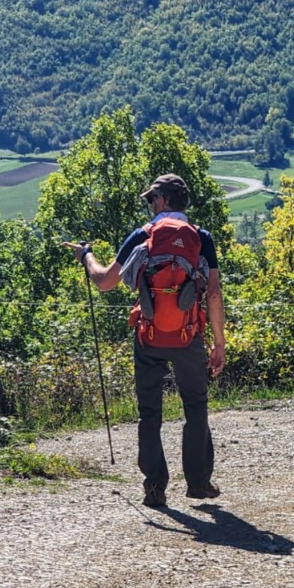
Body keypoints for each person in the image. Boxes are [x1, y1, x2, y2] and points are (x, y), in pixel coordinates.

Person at [66, 173, 226, 509]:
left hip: (149, 335)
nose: (150, 205)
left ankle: (155, 486)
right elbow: (213, 293)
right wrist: (218, 342)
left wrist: (86, 256)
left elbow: (105, 282)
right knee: (195, 407)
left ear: (163, 199)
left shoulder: (143, 234)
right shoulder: (202, 239)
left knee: (150, 411)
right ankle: (198, 482)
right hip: (188, 336)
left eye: (151, 199)